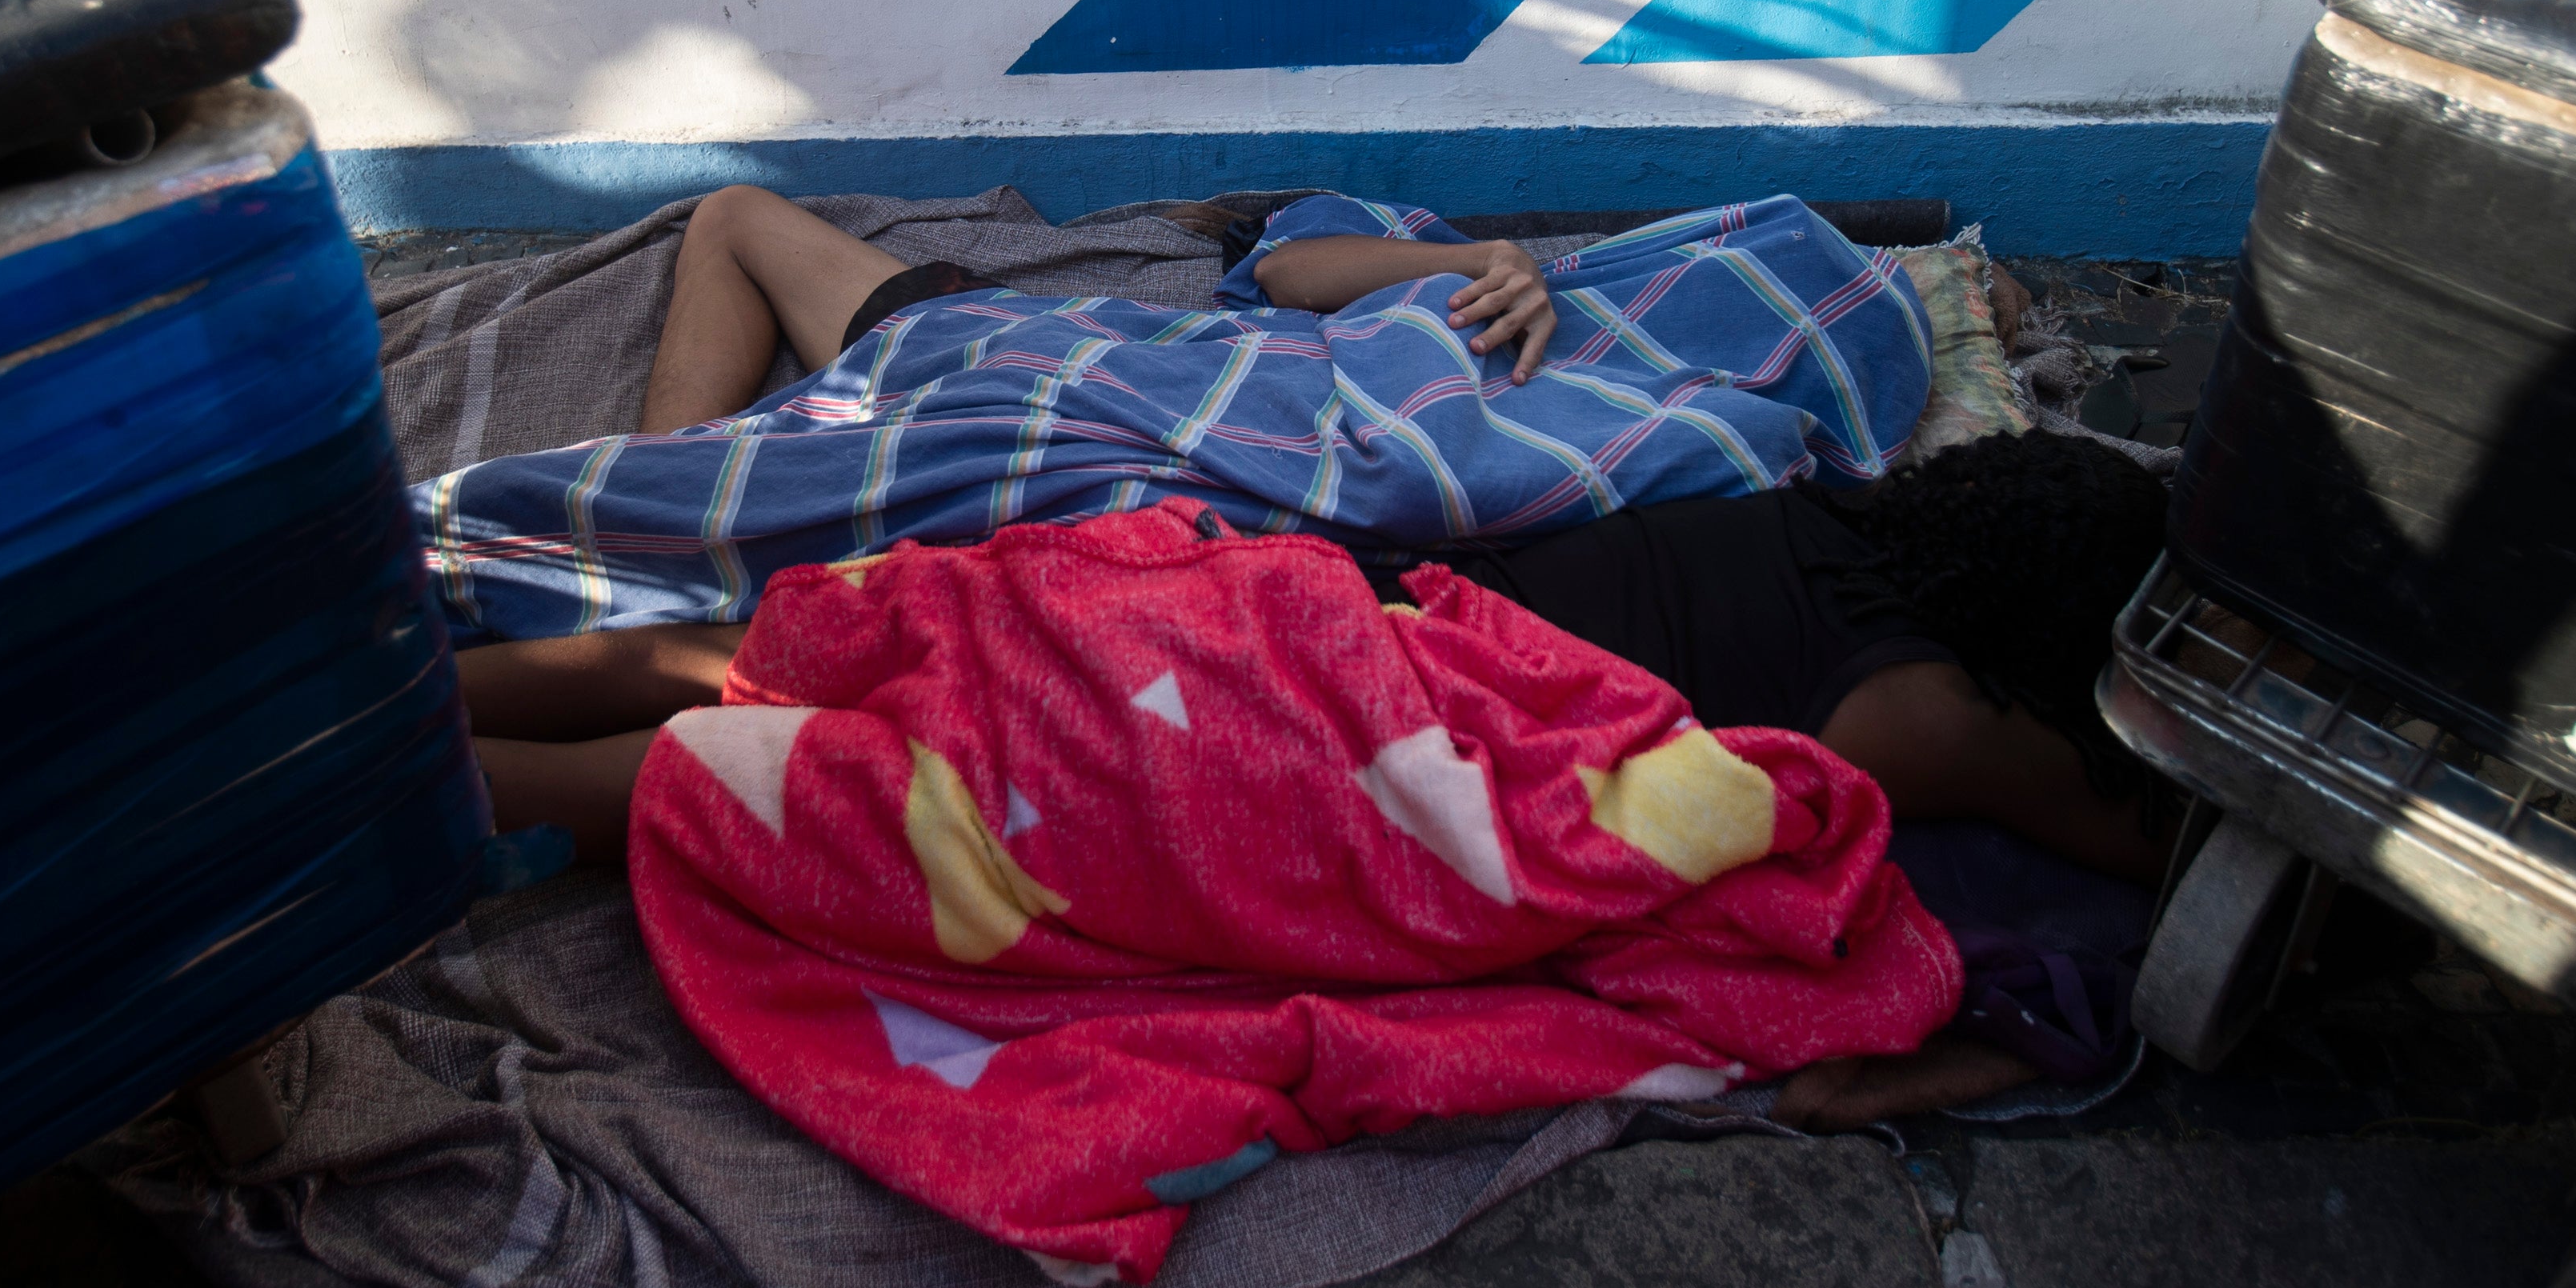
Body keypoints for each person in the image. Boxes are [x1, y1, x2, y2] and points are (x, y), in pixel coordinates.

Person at [456, 428, 2173, 888]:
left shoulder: (1797, 500)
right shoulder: (1932, 710)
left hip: (1288, 598)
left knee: (757, 662)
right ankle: (342, 812)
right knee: (833, 784)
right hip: (1337, 729)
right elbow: (2142, 838)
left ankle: (401, 699)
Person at [418, 184, 1934, 642]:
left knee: (825, 510)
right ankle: (674, 476)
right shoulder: (1497, 276)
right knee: (742, 227)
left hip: (1116, 457)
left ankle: (511, 540)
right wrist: (1481, 258)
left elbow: (1436, 480)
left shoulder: (1693, 439)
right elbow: (1290, 267)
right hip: (1087, 347)